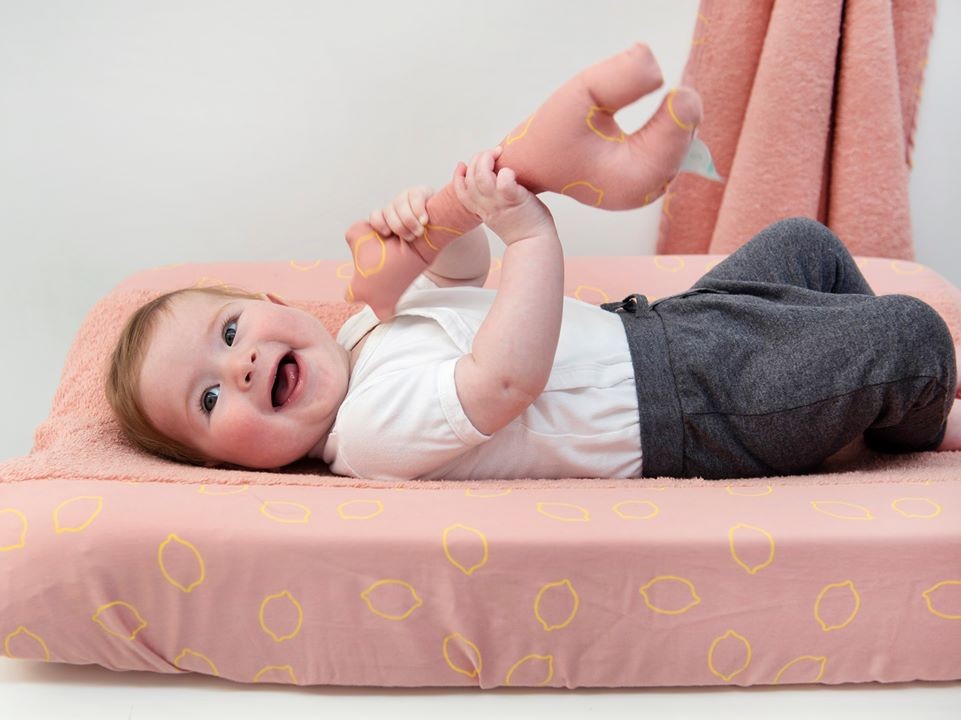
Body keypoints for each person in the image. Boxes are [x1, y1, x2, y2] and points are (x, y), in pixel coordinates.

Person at [106, 147, 961, 480]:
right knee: (910, 335)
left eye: (229, 333)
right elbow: (503, 380)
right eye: (208, 399)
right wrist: (529, 234)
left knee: (803, 245)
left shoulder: (365, 332)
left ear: (273, 306)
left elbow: (463, 281)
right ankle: (909, 425)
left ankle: (857, 406)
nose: (240, 367)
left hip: (663, 327)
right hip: (690, 406)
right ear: (225, 464)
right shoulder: (365, 433)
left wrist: (436, 228)